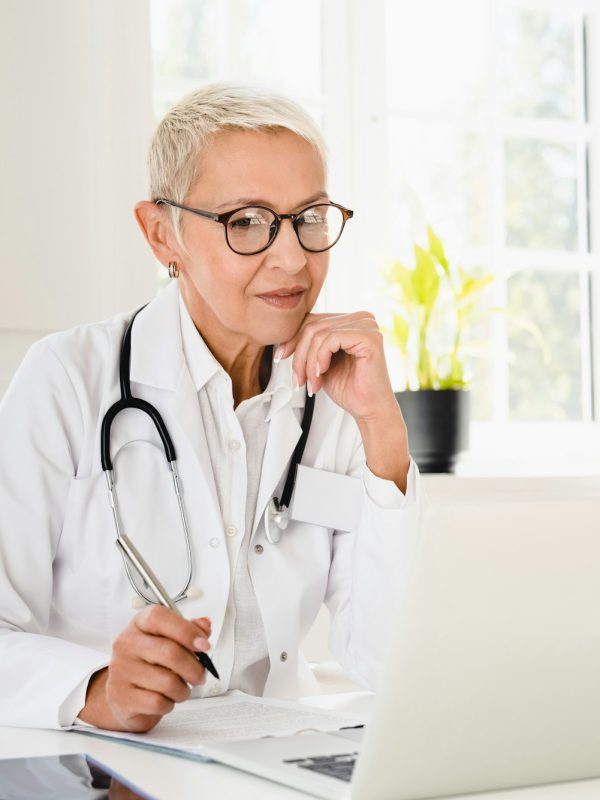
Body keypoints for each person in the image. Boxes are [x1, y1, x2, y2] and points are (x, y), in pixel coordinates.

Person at [0, 84, 420, 733]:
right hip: (105, 767)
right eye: (246, 221)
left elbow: (391, 663)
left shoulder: (336, 392)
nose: (293, 258)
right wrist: (94, 690)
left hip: (275, 759)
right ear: (161, 232)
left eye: (310, 217)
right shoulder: (66, 381)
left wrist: (384, 435)